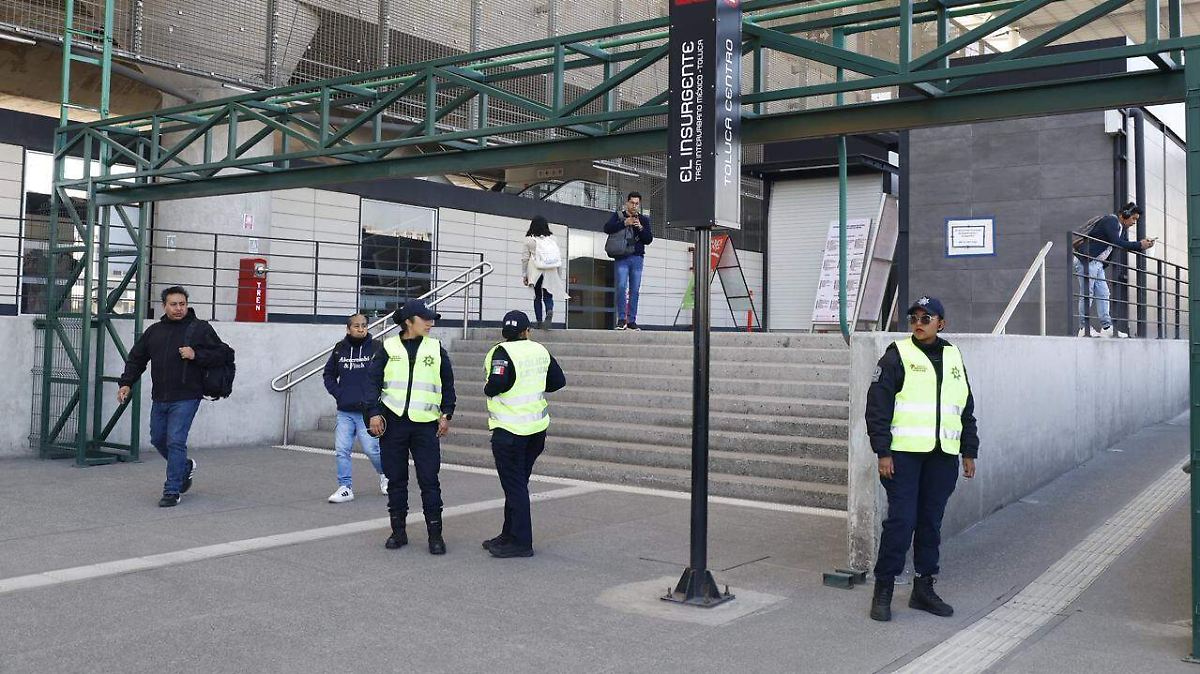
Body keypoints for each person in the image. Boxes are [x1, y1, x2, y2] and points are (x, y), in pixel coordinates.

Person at [865, 296, 980, 622]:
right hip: (903, 457)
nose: (918, 323)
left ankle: (923, 589)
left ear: (940, 323)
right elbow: (877, 407)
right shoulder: (896, 356)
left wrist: (969, 450)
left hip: (942, 456)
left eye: (926, 318)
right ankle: (884, 588)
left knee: (930, 523)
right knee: (902, 521)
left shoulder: (954, 355)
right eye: (914, 317)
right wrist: (883, 451)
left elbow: (964, 407)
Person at [117, 286, 226, 507]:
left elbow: (224, 353)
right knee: (158, 438)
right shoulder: (154, 332)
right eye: (174, 304)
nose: (178, 308)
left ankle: (172, 490)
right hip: (161, 396)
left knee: (176, 441)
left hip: (187, 395)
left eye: (182, 304)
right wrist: (126, 383)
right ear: (164, 306)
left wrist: (197, 354)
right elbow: (137, 359)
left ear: (187, 304)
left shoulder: (200, 329)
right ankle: (184, 467)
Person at [367, 299, 456, 555]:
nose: (430, 323)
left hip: (425, 425)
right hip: (393, 423)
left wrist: (446, 414)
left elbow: (448, 385)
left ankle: (435, 535)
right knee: (396, 481)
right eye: (425, 319)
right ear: (409, 321)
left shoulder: (436, 348)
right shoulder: (388, 347)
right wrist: (373, 412)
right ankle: (398, 532)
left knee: (429, 481)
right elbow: (372, 383)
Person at [481, 310, 567, 558]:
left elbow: (496, 384)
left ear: (504, 332)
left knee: (515, 487)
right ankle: (508, 534)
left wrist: (488, 388)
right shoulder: (540, 350)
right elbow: (558, 381)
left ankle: (521, 542)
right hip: (536, 431)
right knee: (517, 485)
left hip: (509, 431)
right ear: (527, 330)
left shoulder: (501, 352)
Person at [322, 313, 387, 503]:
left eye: (364, 325)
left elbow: (385, 375)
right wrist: (339, 393)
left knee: (371, 449)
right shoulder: (339, 349)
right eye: (357, 326)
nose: (361, 329)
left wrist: (376, 400)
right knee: (342, 449)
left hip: (368, 411)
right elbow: (328, 375)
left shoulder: (377, 348)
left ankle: (386, 475)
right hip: (345, 411)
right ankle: (345, 487)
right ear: (348, 328)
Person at [1073, 202, 1155, 338]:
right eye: (1133, 218)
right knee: (1087, 294)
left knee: (1104, 293)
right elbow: (1117, 243)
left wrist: (1143, 244)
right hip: (1087, 261)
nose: (1134, 222)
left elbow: (1126, 244)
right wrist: (1140, 245)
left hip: (1097, 263)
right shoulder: (1111, 221)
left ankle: (1106, 327)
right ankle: (1084, 328)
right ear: (1125, 214)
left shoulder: (1120, 228)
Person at [604, 191, 654, 330]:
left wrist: (641, 228)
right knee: (621, 287)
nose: (634, 206)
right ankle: (621, 319)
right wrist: (624, 223)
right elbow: (607, 228)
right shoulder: (619, 215)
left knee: (635, 290)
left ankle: (631, 320)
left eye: (637, 203)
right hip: (622, 257)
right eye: (632, 203)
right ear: (627, 203)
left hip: (637, 257)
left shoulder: (643, 219)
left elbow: (648, 239)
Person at [521, 215, 569, 330]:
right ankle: (549, 309)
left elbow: (525, 259)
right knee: (548, 295)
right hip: (550, 270)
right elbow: (558, 256)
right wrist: (559, 273)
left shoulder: (529, 240)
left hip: (536, 271)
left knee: (537, 296)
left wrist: (524, 275)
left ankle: (539, 321)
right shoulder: (553, 239)